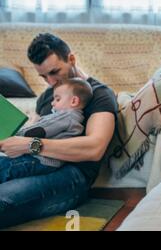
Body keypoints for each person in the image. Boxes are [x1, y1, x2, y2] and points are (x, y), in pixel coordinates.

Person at [0, 33, 117, 228]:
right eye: (43, 76)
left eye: (54, 72)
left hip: (73, 176)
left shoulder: (100, 94)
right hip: (32, 164)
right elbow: (34, 130)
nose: (50, 81)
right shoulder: (47, 96)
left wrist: (30, 145)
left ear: (71, 59)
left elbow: (94, 148)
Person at [0, 78, 93, 183]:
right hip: (46, 160)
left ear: (74, 101)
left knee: (4, 168)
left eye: (57, 99)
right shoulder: (73, 118)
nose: (52, 103)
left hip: (40, 160)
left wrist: (14, 135)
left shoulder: (66, 116)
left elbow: (39, 130)